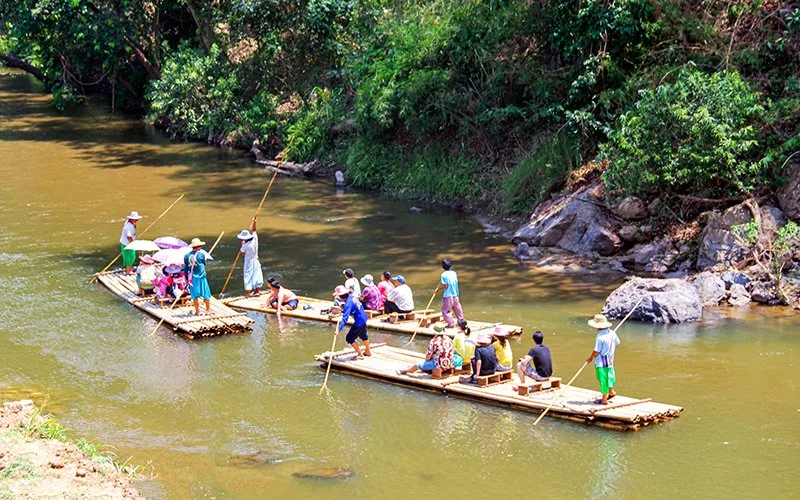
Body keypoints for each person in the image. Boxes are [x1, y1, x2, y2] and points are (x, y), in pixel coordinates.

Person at [586, 314, 620, 405]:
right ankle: (611, 392)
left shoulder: (600, 337)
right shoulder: (612, 333)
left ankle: (604, 399)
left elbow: (596, 351)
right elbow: (617, 342)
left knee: (603, 379)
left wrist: (590, 358)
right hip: (610, 360)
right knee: (610, 377)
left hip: (602, 362)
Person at [332, 285, 371, 358]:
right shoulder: (352, 297)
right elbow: (353, 307)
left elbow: (344, 319)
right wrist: (344, 309)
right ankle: (367, 351)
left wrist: (338, 329)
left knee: (349, 338)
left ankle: (360, 354)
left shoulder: (347, 304)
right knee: (363, 335)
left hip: (359, 321)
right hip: (363, 318)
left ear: (340, 296)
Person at [183, 238, 212, 316]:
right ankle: (208, 310)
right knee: (206, 294)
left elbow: (185, 269)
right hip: (201, 277)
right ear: (199, 246)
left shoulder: (186, 256)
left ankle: (197, 311)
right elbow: (204, 263)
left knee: (194, 295)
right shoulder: (201, 255)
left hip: (192, 278)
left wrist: (185, 279)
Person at [237, 217, 264, 296]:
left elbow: (241, 252)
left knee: (248, 275)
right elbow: (254, 230)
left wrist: (242, 244)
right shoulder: (255, 239)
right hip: (256, 260)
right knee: (256, 274)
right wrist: (254, 222)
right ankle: (257, 290)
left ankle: (248, 292)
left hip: (249, 261)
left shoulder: (245, 245)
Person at [435, 257, 464, 328]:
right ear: (450, 266)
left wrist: (438, 289)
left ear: (442, 266)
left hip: (448, 295)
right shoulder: (454, 273)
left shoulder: (443, 275)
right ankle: (461, 321)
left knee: (445, 310)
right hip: (455, 294)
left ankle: (450, 324)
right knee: (457, 308)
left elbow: (446, 285)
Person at [119, 210, 143, 275]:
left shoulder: (129, 223)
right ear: (131, 219)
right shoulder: (128, 226)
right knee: (129, 258)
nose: (136, 221)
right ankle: (128, 271)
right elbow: (129, 236)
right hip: (127, 244)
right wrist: (133, 244)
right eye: (135, 219)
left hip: (128, 243)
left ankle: (130, 268)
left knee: (132, 256)